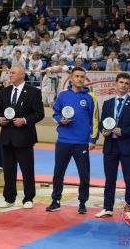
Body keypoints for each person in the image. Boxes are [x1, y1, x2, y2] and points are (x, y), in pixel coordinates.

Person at [46, 67, 99, 214]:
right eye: (77, 76)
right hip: (63, 140)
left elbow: (95, 119)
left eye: (82, 76)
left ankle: (82, 202)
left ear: (85, 79)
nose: (80, 79)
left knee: (84, 174)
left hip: (81, 142)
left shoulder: (90, 97)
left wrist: (93, 139)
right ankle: (56, 200)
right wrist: (60, 120)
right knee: (58, 172)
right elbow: (55, 114)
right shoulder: (63, 95)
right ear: (71, 77)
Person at [0, 65, 44, 209]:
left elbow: (39, 113)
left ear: (22, 75)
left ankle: (28, 198)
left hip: (24, 137)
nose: (10, 75)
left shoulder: (33, 92)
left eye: (13, 73)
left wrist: (25, 120)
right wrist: (0, 119)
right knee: (8, 170)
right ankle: (9, 198)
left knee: (27, 170)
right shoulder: (5, 91)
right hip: (7, 137)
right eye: (10, 73)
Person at [96, 73, 130, 218]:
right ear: (116, 83)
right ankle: (107, 207)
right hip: (110, 146)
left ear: (129, 86)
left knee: (129, 179)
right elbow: (102, 122)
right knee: (109, 179)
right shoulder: (107, 103)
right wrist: (104, 131)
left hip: (127, 146)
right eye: (121, 82)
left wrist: (123, 131)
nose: (124, 85)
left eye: (127, 83)